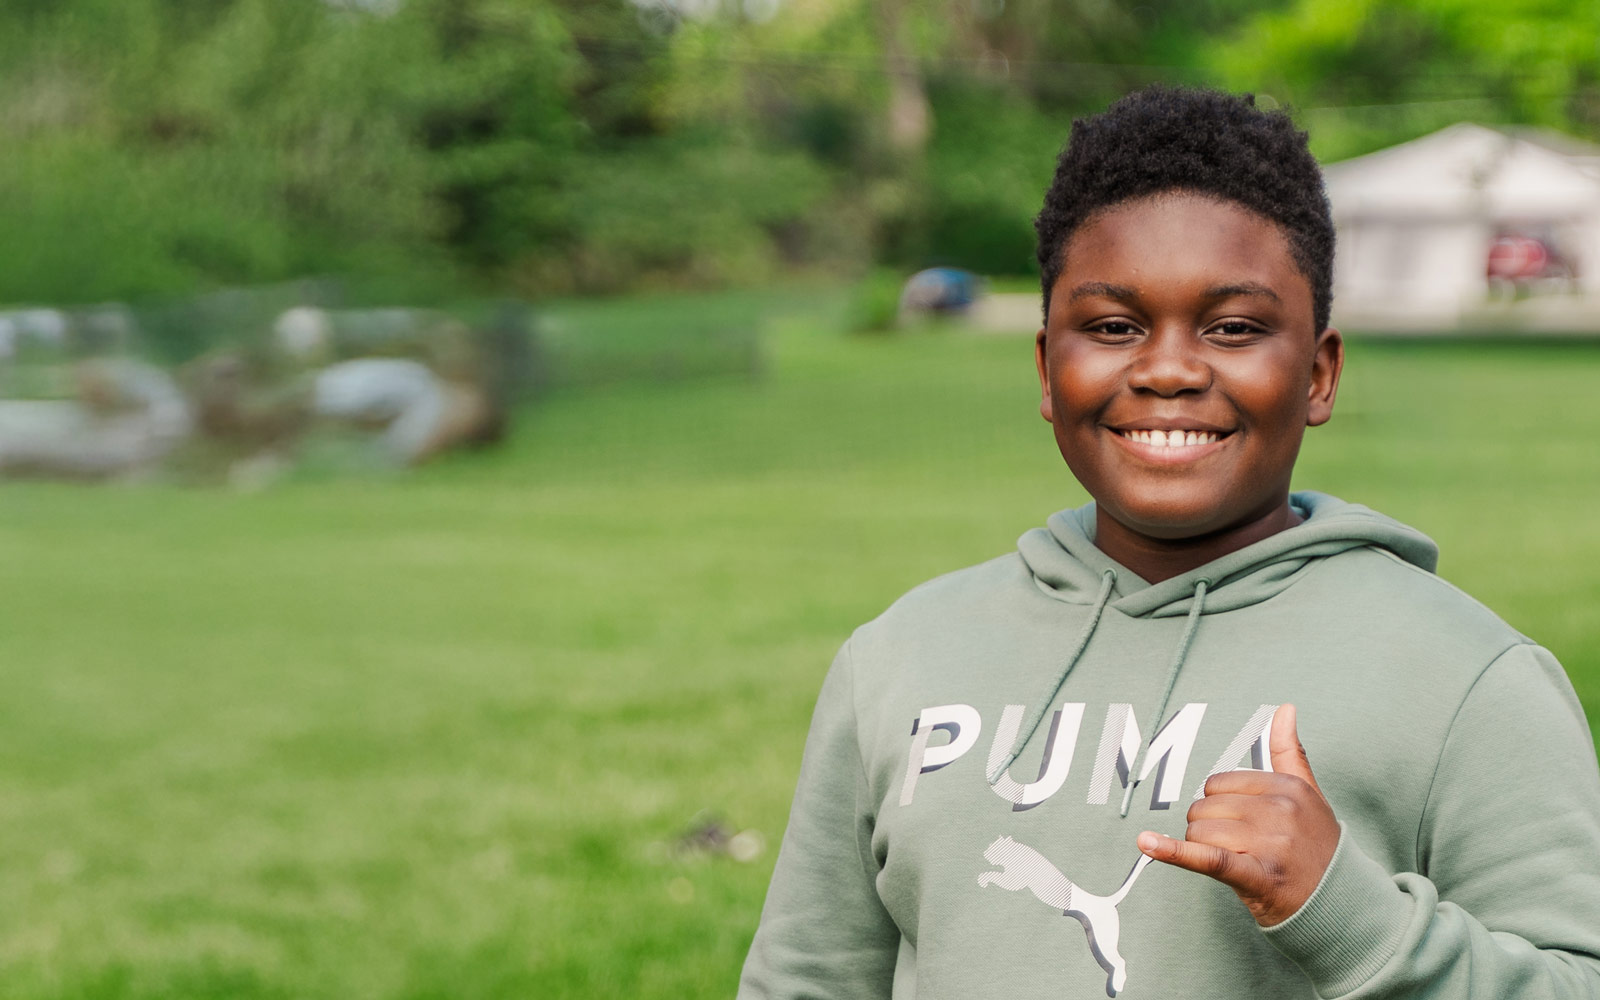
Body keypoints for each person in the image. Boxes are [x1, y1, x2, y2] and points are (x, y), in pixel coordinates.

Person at [737, 87, 1600, 999]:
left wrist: (1350, 916)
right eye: (1113, 327)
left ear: (1317, 372)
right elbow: (808, 980)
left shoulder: (1467, 678)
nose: (1170, 370)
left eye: (1233, 328)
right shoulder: (900, 658)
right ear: (1045, 368)